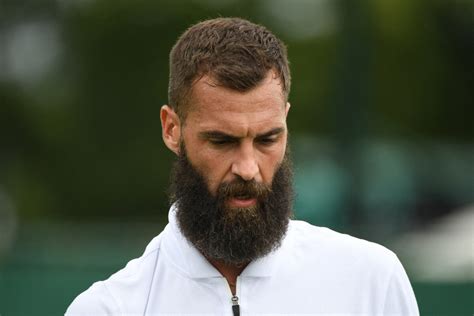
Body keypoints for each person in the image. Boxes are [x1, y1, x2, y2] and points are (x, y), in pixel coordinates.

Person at [66, 17, 418, 315]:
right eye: (222, 141)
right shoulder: (109, 309)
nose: (248, 169)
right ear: (172, 130)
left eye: (267, 139)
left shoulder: (372, 282)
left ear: (286, 122)